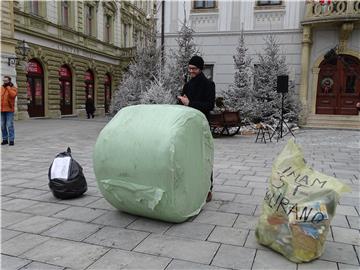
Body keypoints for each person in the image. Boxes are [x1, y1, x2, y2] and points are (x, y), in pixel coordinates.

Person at [177, 55, 216, 202]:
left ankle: (208, 188)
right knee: (190, 157)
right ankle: (193, 186)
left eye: (193, 68)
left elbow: (209, 105)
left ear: (200, 69)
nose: (191, 71)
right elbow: (184, 103)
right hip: (188, 126)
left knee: (205, 157)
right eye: (189, 68)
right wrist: (181, 101)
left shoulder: (209, 85)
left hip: (202, 125)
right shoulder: (188, 85)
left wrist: (189, 103)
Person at [1, 76, 17, 146]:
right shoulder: (1, 88)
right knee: (2, 125)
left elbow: (13, 95)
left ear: (9, 81)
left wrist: (8, 88)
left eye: (6, 81)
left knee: (9, 125)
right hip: (1, 109)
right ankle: (4, 139)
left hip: (9, 109)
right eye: (3, 81)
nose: (4, 82)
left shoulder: (13, 88)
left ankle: (11, 140)